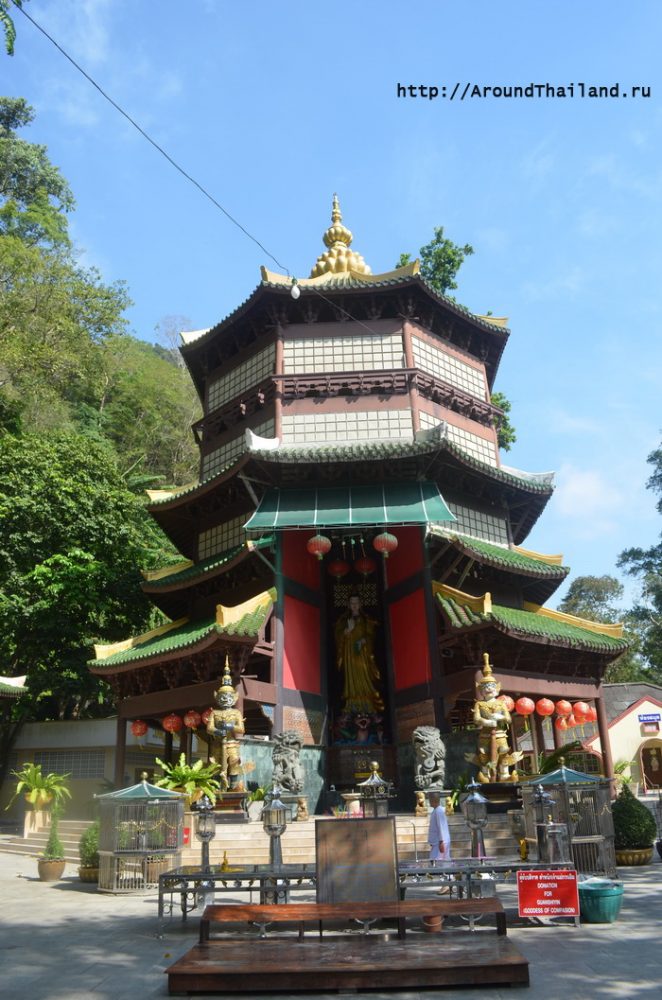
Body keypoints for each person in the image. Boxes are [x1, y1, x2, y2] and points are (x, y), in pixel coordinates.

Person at [335, 594, 384, 715]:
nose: (354, 605)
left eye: (356, 603)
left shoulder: (366, 620)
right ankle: (351, 703)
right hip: (349, 655)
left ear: (360, 604)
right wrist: (348, 630)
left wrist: (364, 640)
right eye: (352, 603)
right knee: (351, 678)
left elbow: (371, 636)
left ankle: (367, 702)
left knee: (364, 676)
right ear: (349, 605)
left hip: (363, 655)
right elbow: (338, 636)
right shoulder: (344, 621)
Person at [206, 662, 246, 791]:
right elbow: (209, 728)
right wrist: (217, 731)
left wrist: (229, 726)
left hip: (231, 743)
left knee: (234, 762)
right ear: (217, 698)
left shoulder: (236, 713)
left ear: (233, 698)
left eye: (228, 697)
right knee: (215, 765)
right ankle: (217, 788)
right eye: (222, 697)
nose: (225, 699)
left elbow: (241, 729)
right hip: (218, 743)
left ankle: (233, 786)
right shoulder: (214, 713)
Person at [428, 791, 451, 861]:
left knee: (436, 861)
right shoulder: (436, 811)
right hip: (437, 841)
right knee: (441, 860)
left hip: (440, 842)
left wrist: (441, 841)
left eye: (430, 800)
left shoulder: (439, 811)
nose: (429, 802)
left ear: (433, 800)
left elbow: (441, 827)